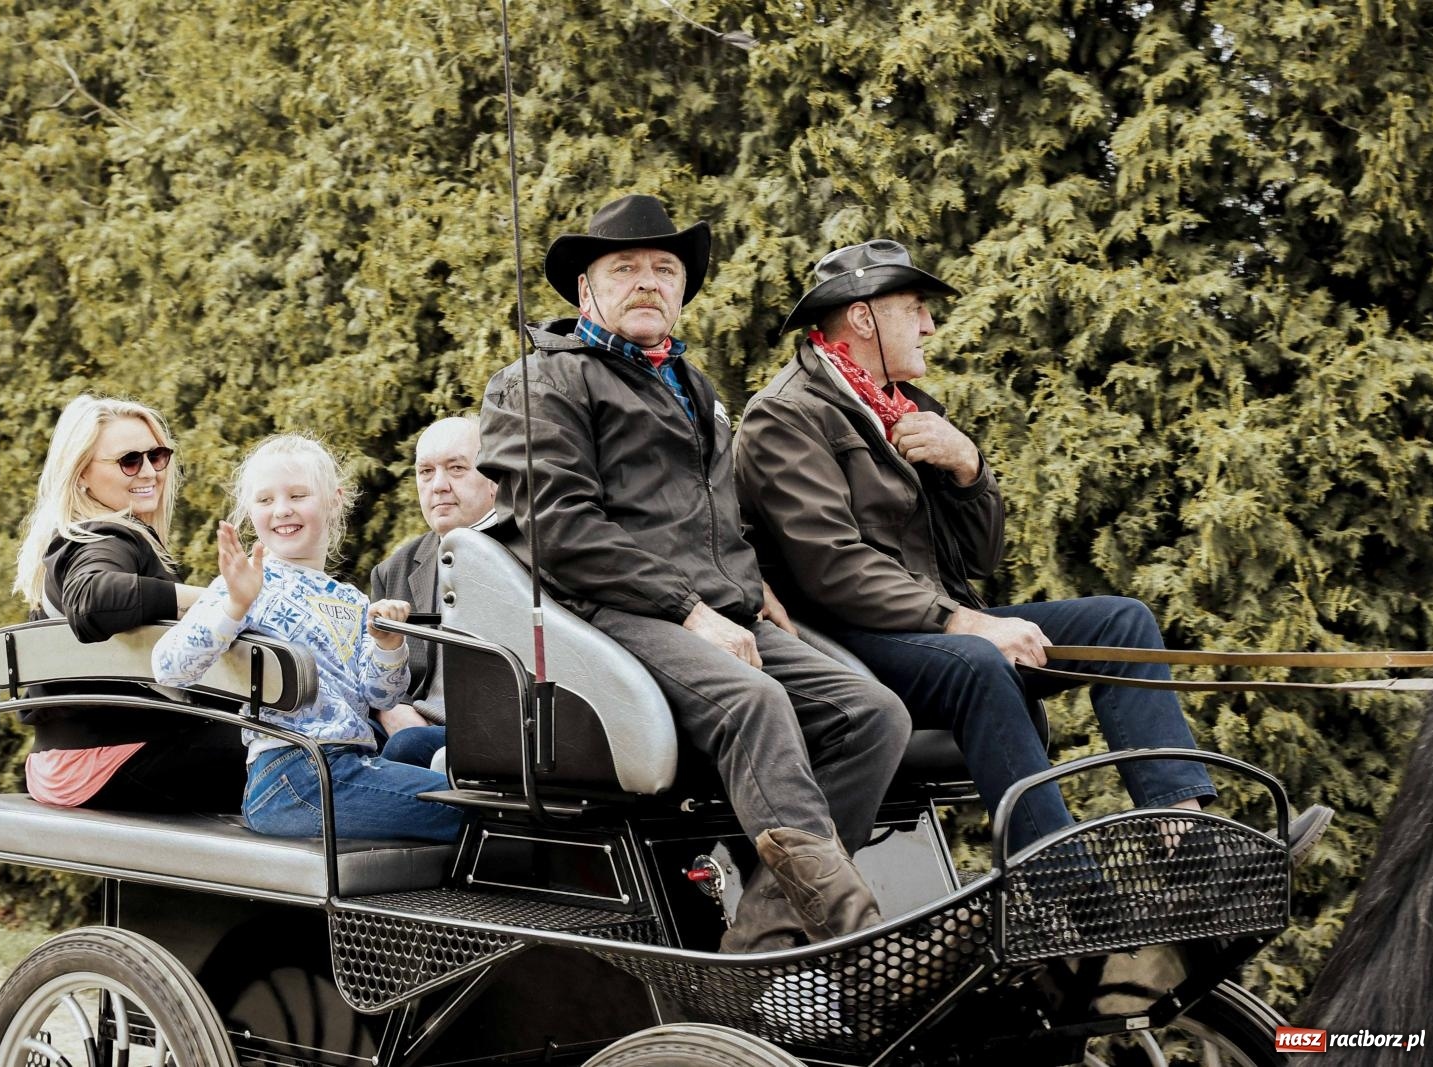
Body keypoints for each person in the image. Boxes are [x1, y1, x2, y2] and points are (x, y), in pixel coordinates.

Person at [735, 238, 1332, 857]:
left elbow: (978, 559)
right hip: (844, 639)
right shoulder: (786, 416)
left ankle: (1189, 844)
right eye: (914, 309)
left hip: (925, 621)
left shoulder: (906, 409)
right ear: (863, 317)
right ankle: (1061, 882)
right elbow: (831, 567)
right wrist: (965, 623)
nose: (930, 326)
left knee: (1122, 622)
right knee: (980, 661)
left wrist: (970, 469)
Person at [477, 194, 911, 952]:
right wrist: (687, 608)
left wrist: (752, 583)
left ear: (680, 289)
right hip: (608, 617)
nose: (648, 281)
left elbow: (712, 513)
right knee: (756, 703)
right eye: (626, 268)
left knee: (873, 715)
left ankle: (767, 937)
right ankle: (845, 931)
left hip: (716, 611)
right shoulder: (542, 383)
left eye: (664, 269)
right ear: (588, 290)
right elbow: (562, 530)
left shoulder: (692, 386)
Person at [152, 434, 461, 843]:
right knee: (472, 815)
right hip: (291, 775)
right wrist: (235, 606)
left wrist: (389, 645)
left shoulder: (350, 600)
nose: (282, 510)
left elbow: (381, 698)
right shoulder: (245, 585)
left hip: (347, 765)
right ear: (249, 511)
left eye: (298, 495)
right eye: (264, 500)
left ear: (334, 500)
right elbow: (169, 668)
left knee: (450, 779)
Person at [12, 393, 245, 811]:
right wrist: (207, 598)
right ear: (82, 473)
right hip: (109, 762)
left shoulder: (74, 540)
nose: (149, 471)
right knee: (297, 760)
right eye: (129, 461)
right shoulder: (105, 537)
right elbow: (91, 598)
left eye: (157, 456)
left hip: (59, 764)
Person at [369, 415, 498, 730]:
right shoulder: (392, 571)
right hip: (417, 730)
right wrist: (391, 711)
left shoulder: (531, 555)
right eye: (426, 472)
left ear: (494, 478)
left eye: (456, 468)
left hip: (503, 734)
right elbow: (373, 672)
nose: (439, 485)